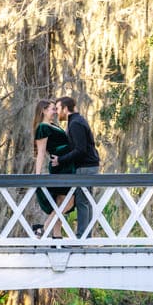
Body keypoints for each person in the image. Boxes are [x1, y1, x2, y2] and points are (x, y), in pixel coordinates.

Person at [51, 96, 100, 238]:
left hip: (85, 167)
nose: (57, 112)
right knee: (85, 201)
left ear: (66, 109)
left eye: (58, 109)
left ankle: (82, 238)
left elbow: (80, 150)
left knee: (82, 202)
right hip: (88, 166)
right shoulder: (76, 121)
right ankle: (86, 237)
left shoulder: (76, 124)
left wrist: (61, 160)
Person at [32, 99, 75, 238]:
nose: (56, 112)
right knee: (69, 202)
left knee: (61, 202)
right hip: (60, 168)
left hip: (66, 165)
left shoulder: (53, 125)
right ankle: (43, 228)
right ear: (43, 110)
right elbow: (41, 152)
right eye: (52, 109)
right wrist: (37, 175)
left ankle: (57, 236)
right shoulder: (42, 128)